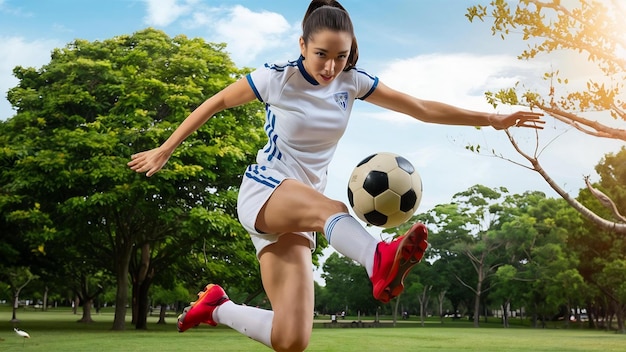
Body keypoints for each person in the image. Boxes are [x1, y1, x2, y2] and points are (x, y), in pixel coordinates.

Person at [127, 1, 544, 351]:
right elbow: (217, 101)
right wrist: (166, 148)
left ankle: (216, 307)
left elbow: (420, 107)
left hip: (302, 216)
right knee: (333, 208)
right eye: (321, 54)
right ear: (303, 45)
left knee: (292, 338)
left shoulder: (352, 83)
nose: (330, 66)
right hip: (265, 189)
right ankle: (377, 257)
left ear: (350, 53)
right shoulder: (278, 77)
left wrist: (491, 118)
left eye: (340, 56)